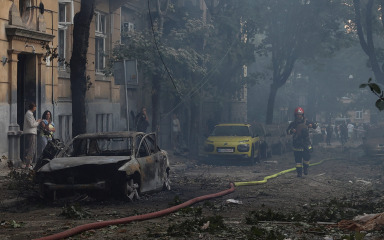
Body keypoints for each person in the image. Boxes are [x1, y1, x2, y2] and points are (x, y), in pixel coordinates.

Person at [286, 107, 317, 178]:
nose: (298, 116)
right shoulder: (293, 124)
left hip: (306, 142)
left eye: (300, 114)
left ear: (302, 115)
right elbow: (287, 131)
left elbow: (316, 125)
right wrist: (291, 131)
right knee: (298, 160)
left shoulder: (307, 122)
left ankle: (305, 168)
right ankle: (299, 173)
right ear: (295, 115)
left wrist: (312, 125)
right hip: (297, 143)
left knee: (307, 158)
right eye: (297, 114)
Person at [22, 102, 41, 169]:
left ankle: (28, 163)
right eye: (35, 107)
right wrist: (38, 122)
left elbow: (32, 123)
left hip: (31, 132)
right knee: (31, 149)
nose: (35, 108)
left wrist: (36, 121)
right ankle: (28, 164)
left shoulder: (30, 114)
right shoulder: (29, 114)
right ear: (33, 107)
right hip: (31, 133)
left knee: (30, 149)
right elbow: (32, 125)